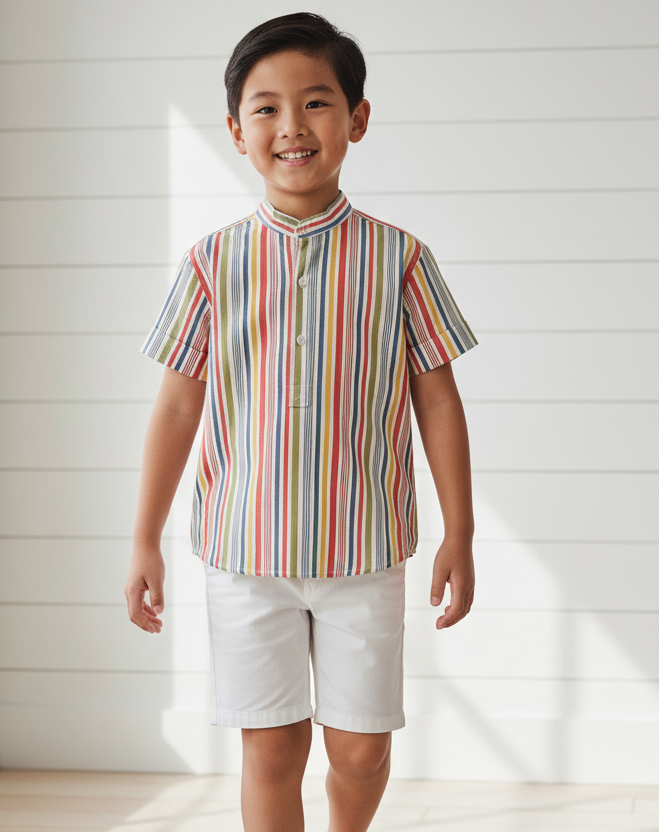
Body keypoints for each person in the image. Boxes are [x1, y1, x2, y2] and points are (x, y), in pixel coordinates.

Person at [125, 11, 478, 832]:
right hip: (244, 553)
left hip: (365, 551)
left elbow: (438, 398)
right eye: (266, 107)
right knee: (272, 749)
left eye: (317, 103)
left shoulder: (401, 259)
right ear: (236, 130)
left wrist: (459, 531)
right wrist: (144, 539)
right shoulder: (212, 263)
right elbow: (179, 404)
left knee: (361, 752)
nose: (292, 126)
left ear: (356, 118)